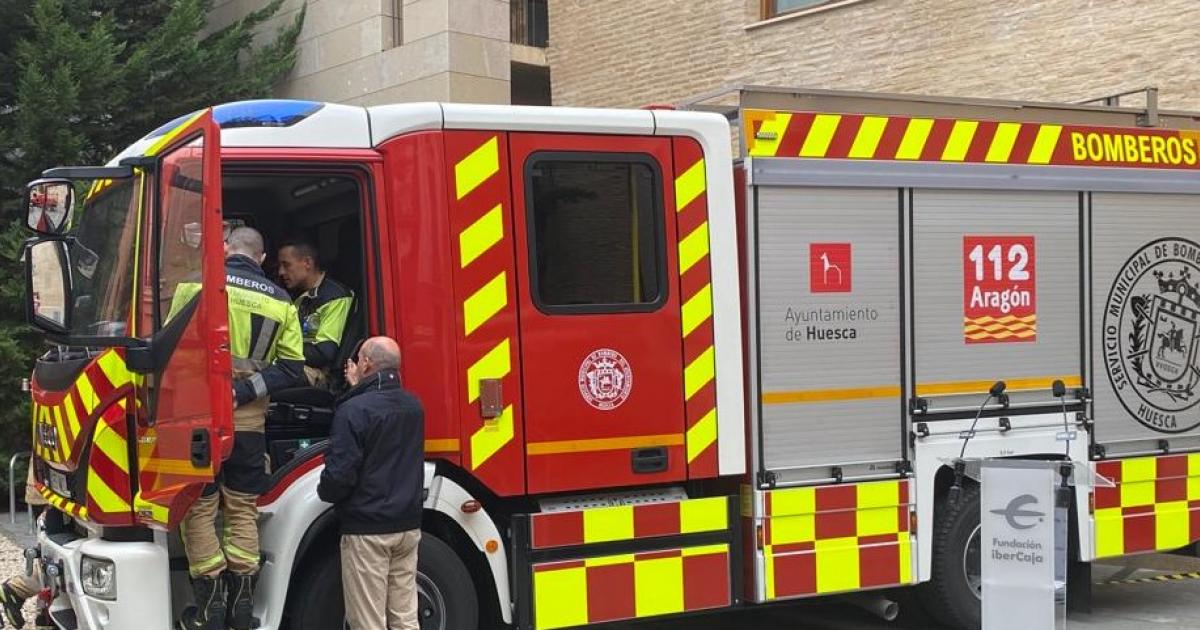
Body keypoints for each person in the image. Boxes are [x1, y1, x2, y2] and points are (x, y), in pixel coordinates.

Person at [175, 227, 305, 630]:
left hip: (198, 421)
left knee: (199, 506)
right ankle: (241, 608)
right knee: (242, 509)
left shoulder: (194, 287)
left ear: (226, 247)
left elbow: (171, 348)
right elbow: (291, 368)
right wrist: (244, 390)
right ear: (262, 258)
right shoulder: (282, 301)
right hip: (249, 423)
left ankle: (210, 607)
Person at [317, 337, 424, 630]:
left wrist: (325, 491)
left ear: (365, 364)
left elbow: (340, 476)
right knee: (405, 618)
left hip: (368, 531)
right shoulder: (413, 406)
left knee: (368, 622)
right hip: (408, 527)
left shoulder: (353, 410)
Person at [276, 239, 353, 387]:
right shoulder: (299, 296)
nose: (281, 272)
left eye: (286, 265)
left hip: (319, 374)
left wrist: (278, 350)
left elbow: (324, 353)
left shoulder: (336, 297)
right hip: (296, 365)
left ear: (307, 263)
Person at [0, 467, 50, 629]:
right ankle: (45, 613)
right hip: (58, 488)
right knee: (57, 558)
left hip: (46, 484)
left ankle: (44, 612)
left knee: (51, 555)